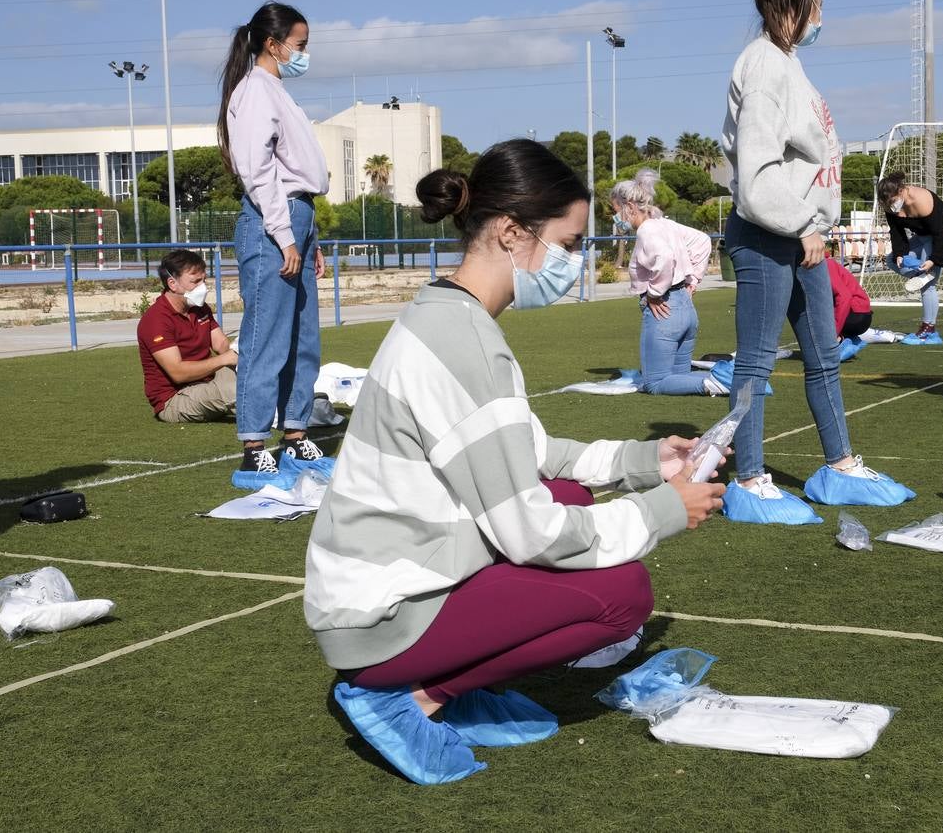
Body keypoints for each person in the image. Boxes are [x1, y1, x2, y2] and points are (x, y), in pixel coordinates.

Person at [304, 140, 727, 785]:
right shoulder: (465, 340)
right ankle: (413, 696)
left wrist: (649, 462)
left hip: (385, 584)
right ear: (509, 232)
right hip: (380, 616)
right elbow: (530, 532)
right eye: (569, 241)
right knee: (623, 595)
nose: (575, 262)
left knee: (573, 496)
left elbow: (532, 454)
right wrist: (663, 510)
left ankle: (449, 682)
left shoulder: (450, 314)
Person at [718, 0, 914, 520]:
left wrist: (815, 226)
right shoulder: (762, 66)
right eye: (818, 6)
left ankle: (839, 467)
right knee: (755, 362)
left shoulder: (790, 64)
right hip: (768, 236)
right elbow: (756, 174)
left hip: (803, 237)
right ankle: (749, 481)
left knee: (824, 355)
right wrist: (805, 224)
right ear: (795, 4)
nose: (822, 19)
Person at [217, 1, 330, 488]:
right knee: (267, 336)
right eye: (299, 45)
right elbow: (258, 170)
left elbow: (293, 169)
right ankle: (253, 446)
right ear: (272, 42)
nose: (304, 54)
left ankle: (296, 434)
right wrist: (284, 234)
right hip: (271, 221)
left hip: (297, 215)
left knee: (304, 337)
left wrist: (311, 236)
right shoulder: (256, 90)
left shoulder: (277, 91)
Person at [613, 169, 720, 396]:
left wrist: (654, 293)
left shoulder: (647, 230)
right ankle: (730, 378)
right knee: (680, 378)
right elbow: (701, 240)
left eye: (616, 211)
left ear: (629, 207)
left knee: (654, 383)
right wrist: (693, 280)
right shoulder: (665, 224)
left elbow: (664, 258)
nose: (616, 218)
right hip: (686, 309)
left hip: (665, 311)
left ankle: (720, 383)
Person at [136, 249, 237, 423]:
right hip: (174, 399)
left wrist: (241, 351)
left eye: (204, 280)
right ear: (172, 283)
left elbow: (221, 344)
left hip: (206, 382)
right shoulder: (156, 320)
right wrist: (225, 359)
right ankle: (277, 420)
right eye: (195, 281)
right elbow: (178, 373)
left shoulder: (199, 308)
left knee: (258, 374)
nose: (203, 287)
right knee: (237, 388)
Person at [877, 171, 943, 345]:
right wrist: (899, 253)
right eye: (886, 204)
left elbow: (939, 233)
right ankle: (924, 274)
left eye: (892, 202)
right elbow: (896, 232)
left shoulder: (921, 200)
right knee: (891, 260)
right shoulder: (889, 206)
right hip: (922, 237)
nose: (891, 207)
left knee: (927, 286)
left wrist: (934, 260)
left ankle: (929, 329)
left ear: (901, 191)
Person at [825, 255, 872, 361]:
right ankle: (851, 340)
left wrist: (834, 331)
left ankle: (839, 342)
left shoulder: (826, 265)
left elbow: (843, 298)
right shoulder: (826, 263)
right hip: (860, 314)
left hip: (856, 315)